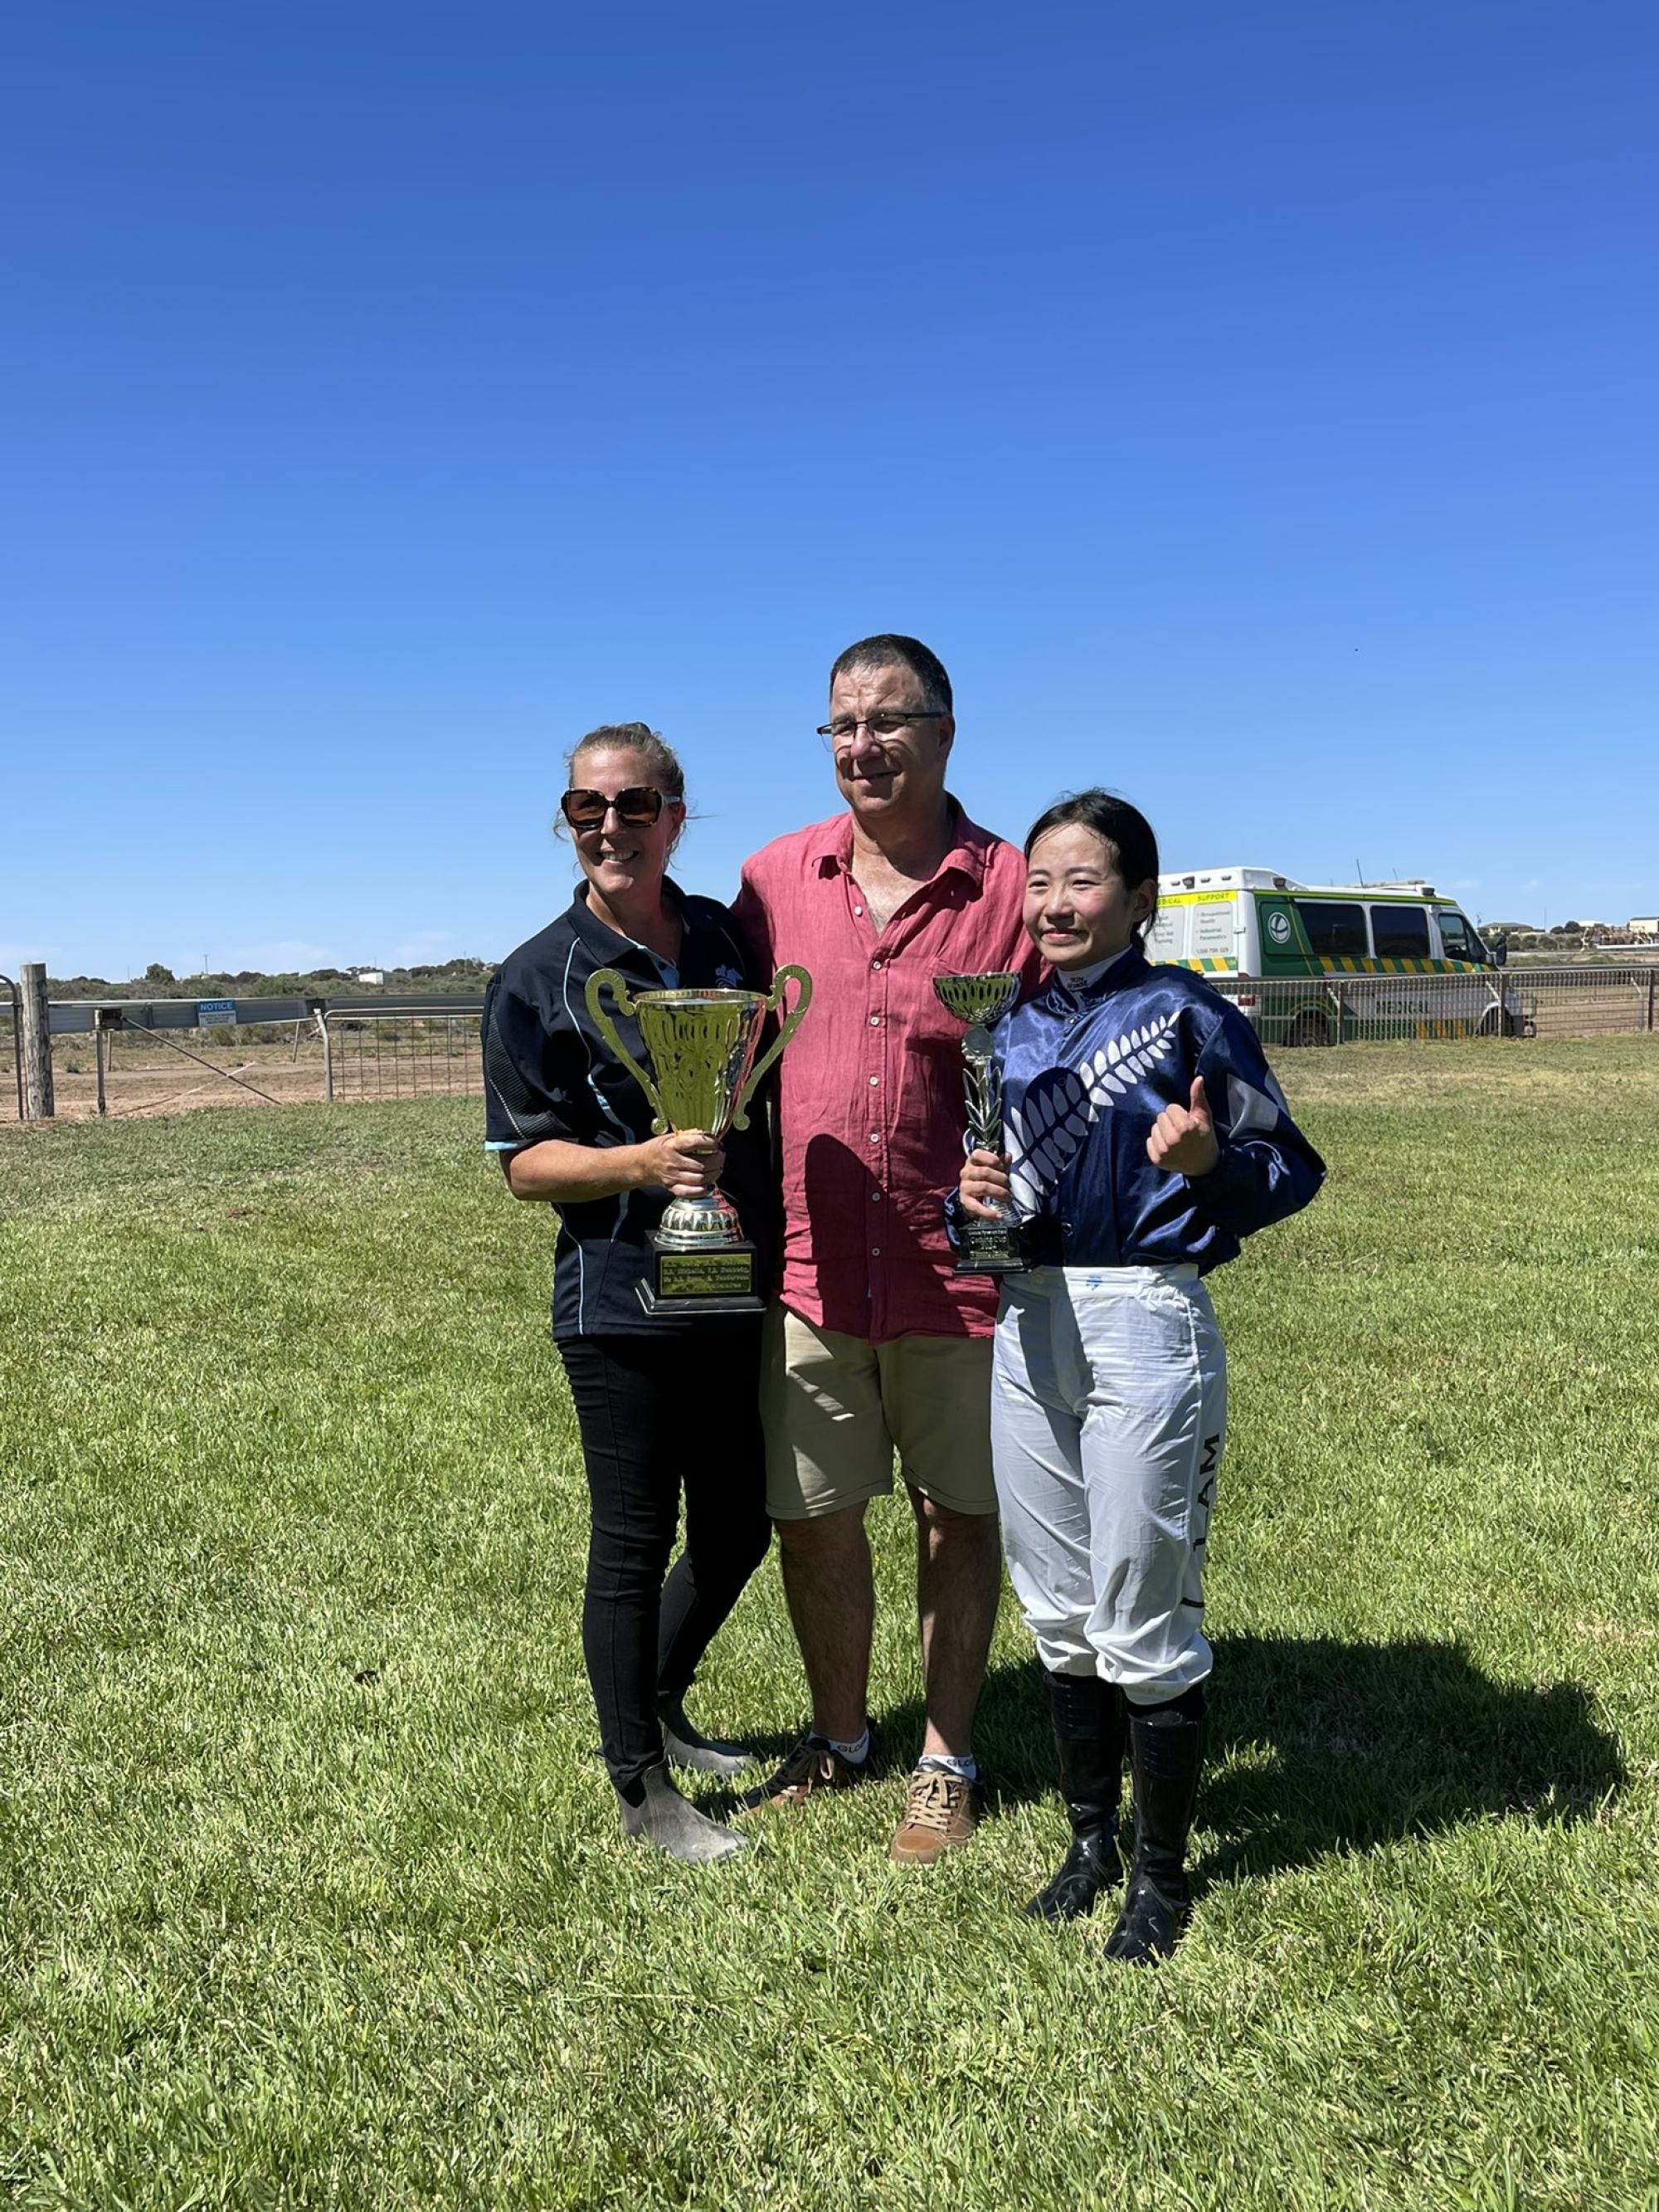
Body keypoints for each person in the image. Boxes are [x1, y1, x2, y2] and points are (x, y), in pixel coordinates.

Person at [956, 789, 1324, 1960]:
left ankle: (1160, 1878)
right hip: (1028, 1320)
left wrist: (1213, 1161)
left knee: (1142, 1605)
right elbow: (991, 1190)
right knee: (1059, 1605)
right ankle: (1088, 1842)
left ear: (1140, 897)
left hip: (1144, 1315)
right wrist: (966, 1205)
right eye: (1043, 881)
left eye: (1085, 880)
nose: (1057, 903)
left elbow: (1290, 1166)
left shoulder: (1186, 1013)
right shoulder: (1005, 1029)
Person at [732, 636, 1042, 1864]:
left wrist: (1029, 1164)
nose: (862, 744)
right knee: (815, 1518)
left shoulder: (1012, 884)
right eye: (841, 725)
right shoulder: (770, 879)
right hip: (812, 1266)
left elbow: (1063, 1061)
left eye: (887, 720)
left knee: (956, 1515)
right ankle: (844, 1731)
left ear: (946, 731)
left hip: (955, 1266)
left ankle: (946, 1757)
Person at [482, 724, 774, 1865]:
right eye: (585, 806)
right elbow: (523, 1165)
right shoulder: (535, 975)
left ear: (675, 815)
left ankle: (658, 1697)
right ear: (568, 820)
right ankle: (640, 1790)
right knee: (633, 1539)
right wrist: (642, 1165)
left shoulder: (720, 938)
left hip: (731, 1281)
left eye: (634, 803)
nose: (610, 823)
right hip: (615, 1299)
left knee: (743, 1524)